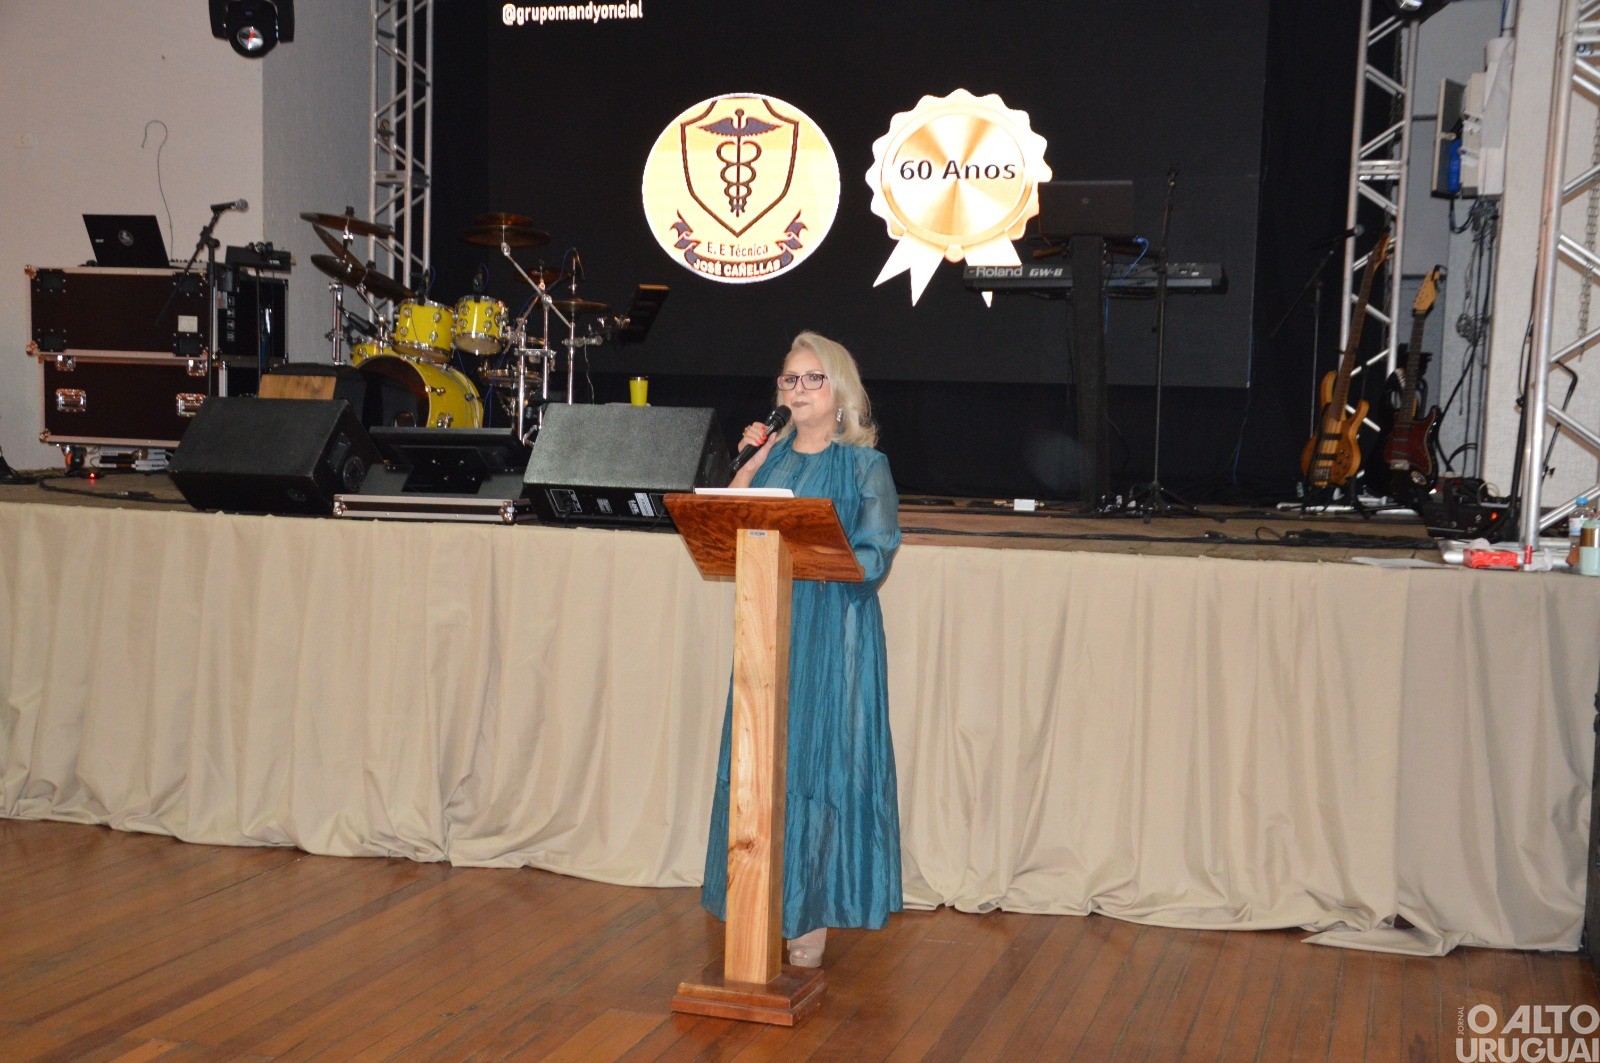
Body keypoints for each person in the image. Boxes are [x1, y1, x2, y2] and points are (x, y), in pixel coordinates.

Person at [700, 331, 902, 969]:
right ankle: (757, 902)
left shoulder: (866, 466)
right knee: (760, 768)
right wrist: (752, 462)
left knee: (819, 766)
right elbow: (726, 523)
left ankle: (811, 915)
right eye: (789, 380)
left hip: (833, 632)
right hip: (769, 630)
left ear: (840, 389)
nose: (798, 390)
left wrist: (817, 557)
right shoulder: (773, 459)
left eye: (812, 379)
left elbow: (875, 552)